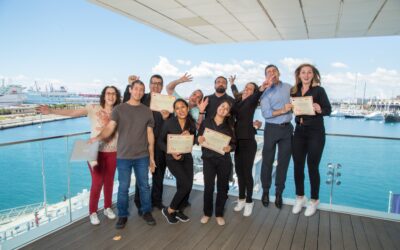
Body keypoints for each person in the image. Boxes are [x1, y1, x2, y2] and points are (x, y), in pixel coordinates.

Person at [36, 86, 121, 225]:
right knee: (97, 182)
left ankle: (107, 207)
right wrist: (51, 110)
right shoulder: (93, 108)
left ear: (117, 96)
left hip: (113, 151)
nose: (111, 96)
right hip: (93, 151)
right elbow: (73, 112)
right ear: (104, 95)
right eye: (108, 93)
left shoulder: (119, 111)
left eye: (114, 94)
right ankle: (93, 212)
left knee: (110, 181)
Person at [89, 80, 157, 229]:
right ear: (131, 90)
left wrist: (152, 157)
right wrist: (98, 137)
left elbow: (150, 134)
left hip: (142, 156)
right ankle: (123, 215)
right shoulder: (119, 109)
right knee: (123, 188)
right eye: (136, 89)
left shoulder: (147, 111)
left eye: (141, 90)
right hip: (124, 156)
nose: (138, 92)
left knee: (144, 186)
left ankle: (146, 212)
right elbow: (110, 128)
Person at [291, 63, 332, 217]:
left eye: (309, 72)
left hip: (315, 132)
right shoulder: (294, 91)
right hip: (299, 131)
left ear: (313, 75)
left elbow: (328, 110)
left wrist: (320, 109)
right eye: (303, 72)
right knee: (297, 166)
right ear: (299, 75)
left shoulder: (319, 91)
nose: (306, 75)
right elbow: (295, 110)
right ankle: (300, 197)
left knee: (312, 166)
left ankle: (314, 200)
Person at [229, 76, 267, 216]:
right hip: (237, 141)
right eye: (246, 87)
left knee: (247, 173)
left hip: (248, 142)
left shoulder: (251, 102)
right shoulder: (239, 101)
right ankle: (241, 199)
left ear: (254, 93)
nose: (246, 90)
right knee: (239, 173)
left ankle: (249, 201)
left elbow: (258, 94)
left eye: (250, 89)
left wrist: (262, 88)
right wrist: (232, 84)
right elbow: (235, 93)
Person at [259, 64, 293, 209]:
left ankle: (279, 193)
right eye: (269, 72)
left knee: (283, 163)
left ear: (279, 73)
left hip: (287, 130)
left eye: (274, 71)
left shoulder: (288, 87)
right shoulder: (265, 91)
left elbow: (299, 100)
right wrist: (282, 110)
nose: (272, 73)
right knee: (267, 162)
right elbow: (266, 114)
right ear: (266, 76)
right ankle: (265, 191)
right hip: (271, 129)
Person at [134, 74, 170, 211]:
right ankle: (139, 202)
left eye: (159, 83)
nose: (156, 86)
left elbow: (171, 124)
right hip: (142, 142)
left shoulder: (167, 101)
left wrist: (167, 118)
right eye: (153, 83)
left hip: (160, 144)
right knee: (141, 175)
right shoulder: (141, 98)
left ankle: (156, 201)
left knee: (158, 175)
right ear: (149, 85)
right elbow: (127, 103)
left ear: (162, 86)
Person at [158, 99, 197, 224]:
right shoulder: (169, 123)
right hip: (172, 158)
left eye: (183, 107)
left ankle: (179, 210)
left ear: (187, 108)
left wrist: (190, 137)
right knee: (185, 184)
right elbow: (160, 141)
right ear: (174, 111)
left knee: (186, 185)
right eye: (178, 108)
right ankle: (169, 210)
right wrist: (171, 152)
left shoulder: (191, 123)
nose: (181, 110)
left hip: (187, 157)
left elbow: (194, 139)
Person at [198, 101, 236, 226]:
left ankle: (219, 214)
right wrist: (200, 139)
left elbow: (234, 144)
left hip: (223, 161)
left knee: (222, 188)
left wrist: (229, 148)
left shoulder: (230, 126)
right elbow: (199, 137)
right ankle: (207, 213)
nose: (223, 109)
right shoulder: (206, 122)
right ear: (217, 107)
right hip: (208, 159)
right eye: (222, 106)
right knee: (208, 187)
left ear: (228, 113)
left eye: (226, 108)